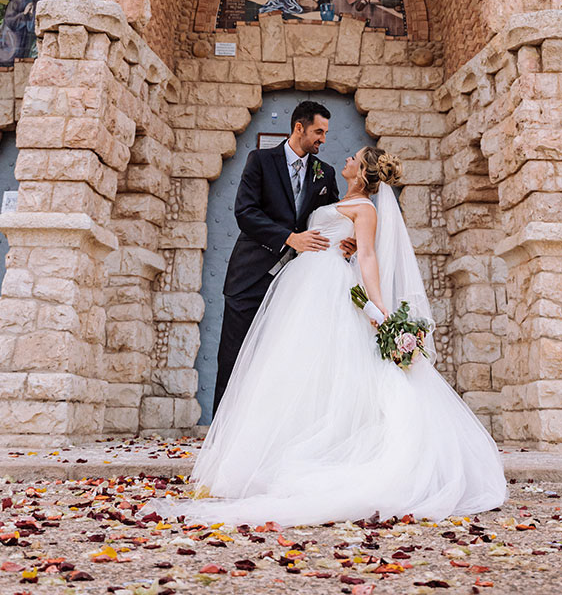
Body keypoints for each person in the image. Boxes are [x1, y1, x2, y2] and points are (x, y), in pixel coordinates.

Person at [162, 146, 506, 527]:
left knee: (327, 365)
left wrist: (380, 310)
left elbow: (369, 257)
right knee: (291, 368)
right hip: (303, 283)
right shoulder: (339, 197)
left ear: (361, 170)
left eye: (353, 158)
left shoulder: (366, 209)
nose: (344, 159)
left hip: (328, 286)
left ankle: (316, 454)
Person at [213, 101, 341, 407]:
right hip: (250, 277)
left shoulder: (326, 173)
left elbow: (332, 216)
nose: (323, 139)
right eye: (318, 132)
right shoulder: (260, 160)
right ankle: (221, 438)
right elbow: (245, 212)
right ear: (299, 128)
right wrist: (289, 238)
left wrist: (345, 242)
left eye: (325, 132)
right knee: (234, 356)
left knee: (280, 361)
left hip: (295, 284)